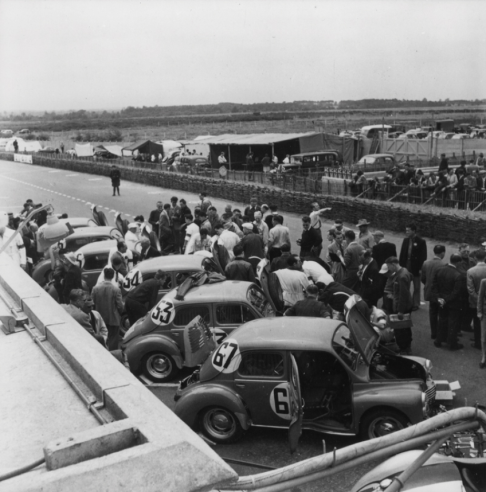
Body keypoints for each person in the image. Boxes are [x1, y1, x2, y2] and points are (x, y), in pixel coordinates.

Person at [432, 254, 467, 351]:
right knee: (452, 322)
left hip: (441, 300)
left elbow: (434, 285)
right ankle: (452, 343)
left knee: (442, 320)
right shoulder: (458, 275)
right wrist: (446, 299)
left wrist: (439, 298)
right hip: (453, 303)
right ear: (458, 262)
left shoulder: (439, 270)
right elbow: (456, 292)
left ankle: (438, 340)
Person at [380, 257, 414, 354]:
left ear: (393, 264)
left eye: (389, 266)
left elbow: (403, 295)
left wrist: (400, 311)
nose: (389, 269)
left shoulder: (401, 276)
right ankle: (406, 347)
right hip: (405, 305)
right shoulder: (403, 272)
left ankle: (404, 349)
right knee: (405, 328)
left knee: (401, 330)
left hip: (402, 307)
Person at [91, 268, 124, 350]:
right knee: (113, 339)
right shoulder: (116, 290)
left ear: (104, 275)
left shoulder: (95, 289)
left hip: (99, 318)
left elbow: (92, 304)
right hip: (113, 319)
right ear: (112, 276)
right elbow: (120, 306)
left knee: (101, 338)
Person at [399, 223, 427, 310]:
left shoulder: (421, 241)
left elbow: (423, 256)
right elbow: (402, 253)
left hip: (415, 268)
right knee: (405, 285)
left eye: (408, 230)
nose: (406, 232)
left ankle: (416, 304)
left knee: (416, 287)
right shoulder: (405, 240)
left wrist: (420, 268)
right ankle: (407, 302)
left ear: (414, 231)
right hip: (406, 266)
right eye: (406, 230)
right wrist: (400, 266)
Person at [421, 245, 446, 340]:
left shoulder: (426, 263)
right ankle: (440, 333)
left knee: (432, 312)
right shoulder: (444, 264)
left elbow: (423, 278)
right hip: (439, 293)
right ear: (443, 253)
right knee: (441, 313)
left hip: (429, 291)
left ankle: (433, 333)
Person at [467, 249, 486, 350]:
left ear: (475, 258)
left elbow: (470, 290)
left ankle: (478, 342)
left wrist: (477, 300)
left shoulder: (470, 271)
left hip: (475, 302)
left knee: (477, 322)